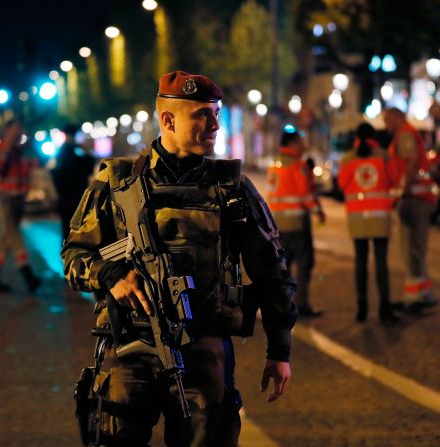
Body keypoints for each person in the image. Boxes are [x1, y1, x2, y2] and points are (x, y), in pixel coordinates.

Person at [62, 70, 297, 446]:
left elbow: (272, 269)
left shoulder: (231, 187)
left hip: (204, 351)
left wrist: (279, 349)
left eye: (216, 113)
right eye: (203, 114)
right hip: (130, 351)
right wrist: (111, 275)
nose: (215, 124)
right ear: (168, 119)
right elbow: (74, 254)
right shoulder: (118, 183)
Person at [338, 123, 400, 324]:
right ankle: (384, 306)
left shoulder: (347, 158)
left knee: (360, 261)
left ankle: (362, 308)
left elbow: (341, 185)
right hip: (380, 216)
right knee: (381, 262)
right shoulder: (383, 155)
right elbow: (393, 180)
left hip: (357, 217)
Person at [383, 108, 439, 312]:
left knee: (411, 248)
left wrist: (403, 192)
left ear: (397, 118)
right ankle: (421, 293)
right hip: (418, 198)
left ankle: (415, 297)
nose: (386, 125)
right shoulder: (406, 133)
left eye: (387, 120)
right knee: (416, 248)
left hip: (414, 199)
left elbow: (411, 161)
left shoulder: (404, 134)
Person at [266, 130, 325, 317]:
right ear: (291, 143)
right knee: (304, 264)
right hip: (298, 224)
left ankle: (282, 304)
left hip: (278, 224)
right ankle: (302, 304)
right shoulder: (298, 166)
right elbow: (306, 195)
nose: (303, 144)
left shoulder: (274, 165)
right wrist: (318, 211)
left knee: (283, 267)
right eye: (300, 141)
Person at [0, 120, 42, 293]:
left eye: (20, 129)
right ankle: (27, 273)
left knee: (6, 237)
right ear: (7, 131)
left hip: (20, 199)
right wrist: (7, 146)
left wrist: (30, 145)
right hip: (6, 199)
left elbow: (38, 163)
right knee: (14, 235)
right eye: (15, 129)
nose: (19, 132)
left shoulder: (23, 150)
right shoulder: (1, 149)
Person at [50, 123, 96, 240]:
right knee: (77, 224)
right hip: (77, 195)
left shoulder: (61, 151)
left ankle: (68, 248)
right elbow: (88, 166)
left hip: (65, 196)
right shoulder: (76, 150)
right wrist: (86, 151)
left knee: (67, 225)